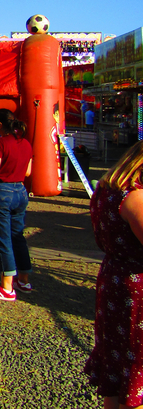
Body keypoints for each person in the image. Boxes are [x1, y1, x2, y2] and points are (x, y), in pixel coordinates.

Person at [84, 140, 143, 408]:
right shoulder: (135, 197)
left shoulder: (106, 191)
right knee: (135, 370)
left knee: (119, 369)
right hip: (136, 287)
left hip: (114, 279)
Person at [0, 109, 33, 301]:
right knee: (17, 236)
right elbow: (27, 172)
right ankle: (24, 280)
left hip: (1, 191)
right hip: (20, 190)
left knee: (3, 240)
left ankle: (7, 287)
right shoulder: (25, 143)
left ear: (0, 124)